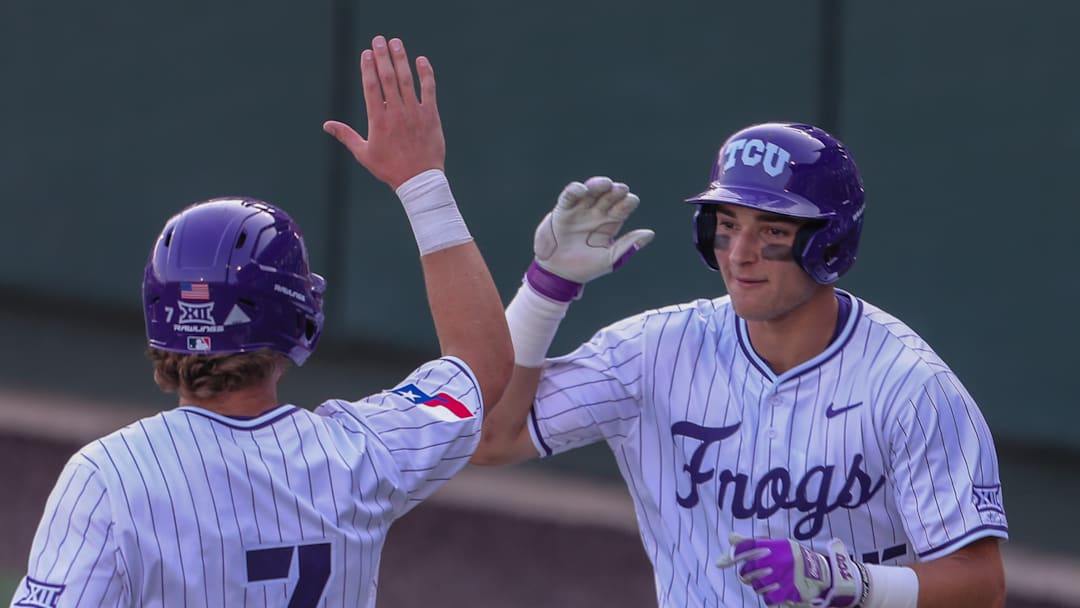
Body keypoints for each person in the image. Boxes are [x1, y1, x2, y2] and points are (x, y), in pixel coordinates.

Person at [10, 35, 511, 608]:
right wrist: (423, 184)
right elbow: (482, 366)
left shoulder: (108, 478)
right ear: (294, 317)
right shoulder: (360, 459)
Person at [472, 122, 1007, 607]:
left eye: (772, 231)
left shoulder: (913, 388)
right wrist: (547, 290)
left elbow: (981, 589)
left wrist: (854, 584)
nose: (740, 253)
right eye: (728, 224)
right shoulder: (652, 351)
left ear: (830, 243)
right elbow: (490, 438)